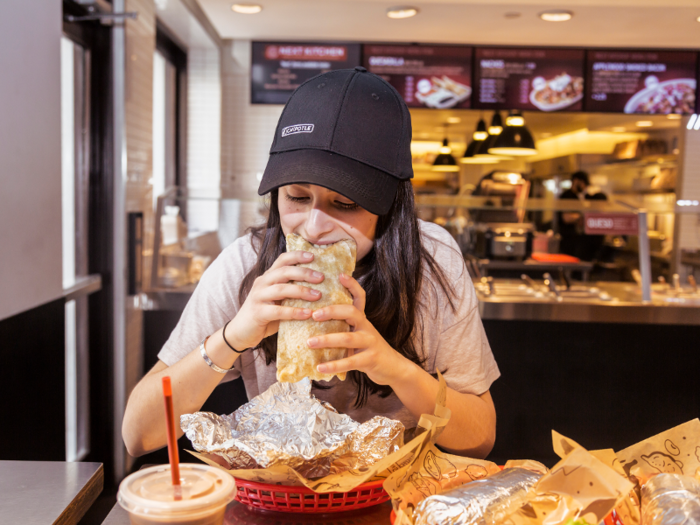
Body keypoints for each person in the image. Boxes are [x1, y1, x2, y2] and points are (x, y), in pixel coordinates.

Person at [122, 67, 499, 459]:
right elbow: (138, 434)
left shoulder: (432, 261)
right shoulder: (248, 264)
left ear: (389, 208)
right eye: (297, 198)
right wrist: (234, 337)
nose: (315, 227)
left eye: (346, 203)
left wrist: (395, 368)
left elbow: (480, 437)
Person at [558, 171, 589, 258]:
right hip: (567, 238)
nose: (584, 186)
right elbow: (566, 218)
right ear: (576, 181)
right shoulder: (567, 196)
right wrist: (582, 215)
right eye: (583, 183)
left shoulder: (579, 196)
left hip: (576, 238)